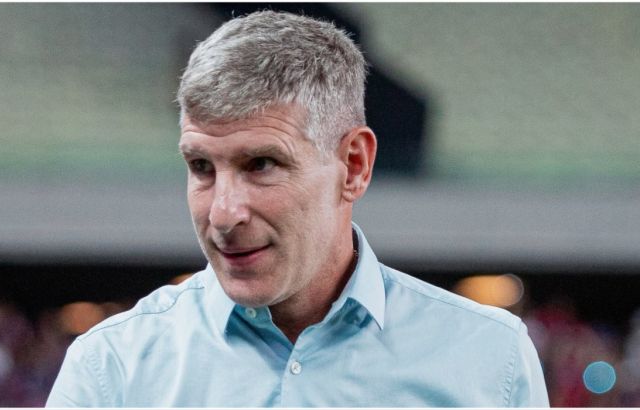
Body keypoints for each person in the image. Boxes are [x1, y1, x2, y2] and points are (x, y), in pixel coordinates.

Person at [46, 11, 549, 407]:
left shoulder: (491, 359)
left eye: (262, 164)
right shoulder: (110, 367)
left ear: (353, 166)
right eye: (201, 166)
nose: (222, 213)